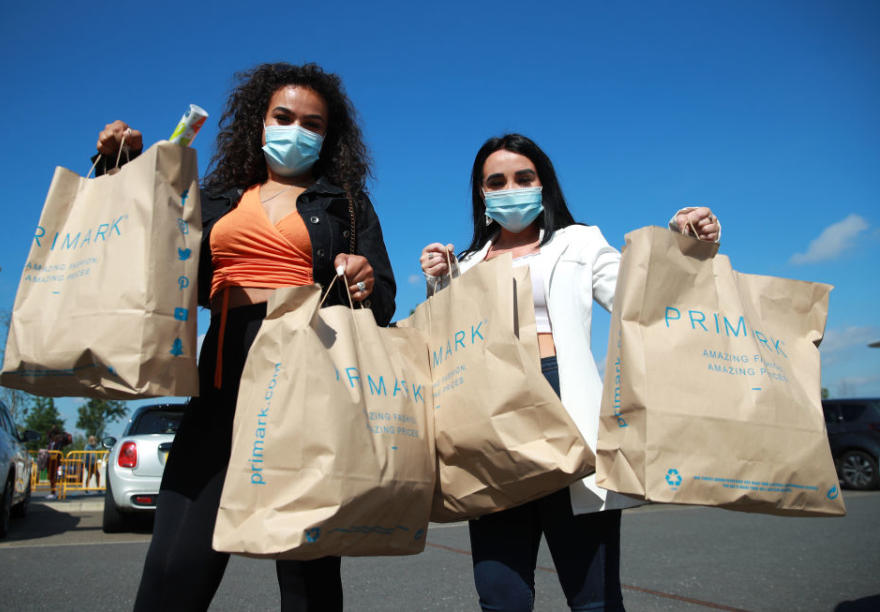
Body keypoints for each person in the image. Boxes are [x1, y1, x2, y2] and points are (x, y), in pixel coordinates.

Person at [94, 63, 396, 611]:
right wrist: (121, 168)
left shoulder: (345, 203)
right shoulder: (218, 196)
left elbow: (384, 298)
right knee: (174, 563)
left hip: (309, 373)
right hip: (222, 368)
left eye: (313, 123)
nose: (296, 130)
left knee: (308, 572)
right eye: (284, 116)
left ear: (328, 136)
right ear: (260, 122)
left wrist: (365, 279)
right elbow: (149, 244)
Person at [419, 133, 720, 612]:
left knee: (594, 598)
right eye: (496, 181)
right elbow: (443, 352)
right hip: (491, 423)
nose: (510, 187)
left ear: (544, 184)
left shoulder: (579, 241)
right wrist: (438, 284)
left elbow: (642, 298)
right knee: (501, 597)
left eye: (524, 177)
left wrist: (683, 247)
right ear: (481, 193)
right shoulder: (466, 264)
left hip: (565, 403)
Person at [44, 425, 72, 500]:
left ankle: (53, 493)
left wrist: (62, 432)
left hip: (55, 459)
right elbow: (48, 434)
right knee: (51, 476)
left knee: (53, 476)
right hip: (50, 459)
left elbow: (69, 439)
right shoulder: (51, 441)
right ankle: (53, 492)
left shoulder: (60, 439)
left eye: (53, 433)